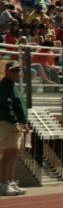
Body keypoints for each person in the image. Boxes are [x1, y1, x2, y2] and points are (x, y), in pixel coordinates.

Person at [0, 61, 28, 196]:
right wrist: (14, 121)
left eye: (18, 70)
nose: (16, 73)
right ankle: (3, 184)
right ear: (6, 71)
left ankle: (9, 182)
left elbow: (19, 105)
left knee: (13, 154)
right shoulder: (3, 86)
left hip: (17, 124)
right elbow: (6, 106)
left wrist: (24, 122)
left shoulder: (13, 86)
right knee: (8, 154)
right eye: (13, 70)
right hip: (9, 123)